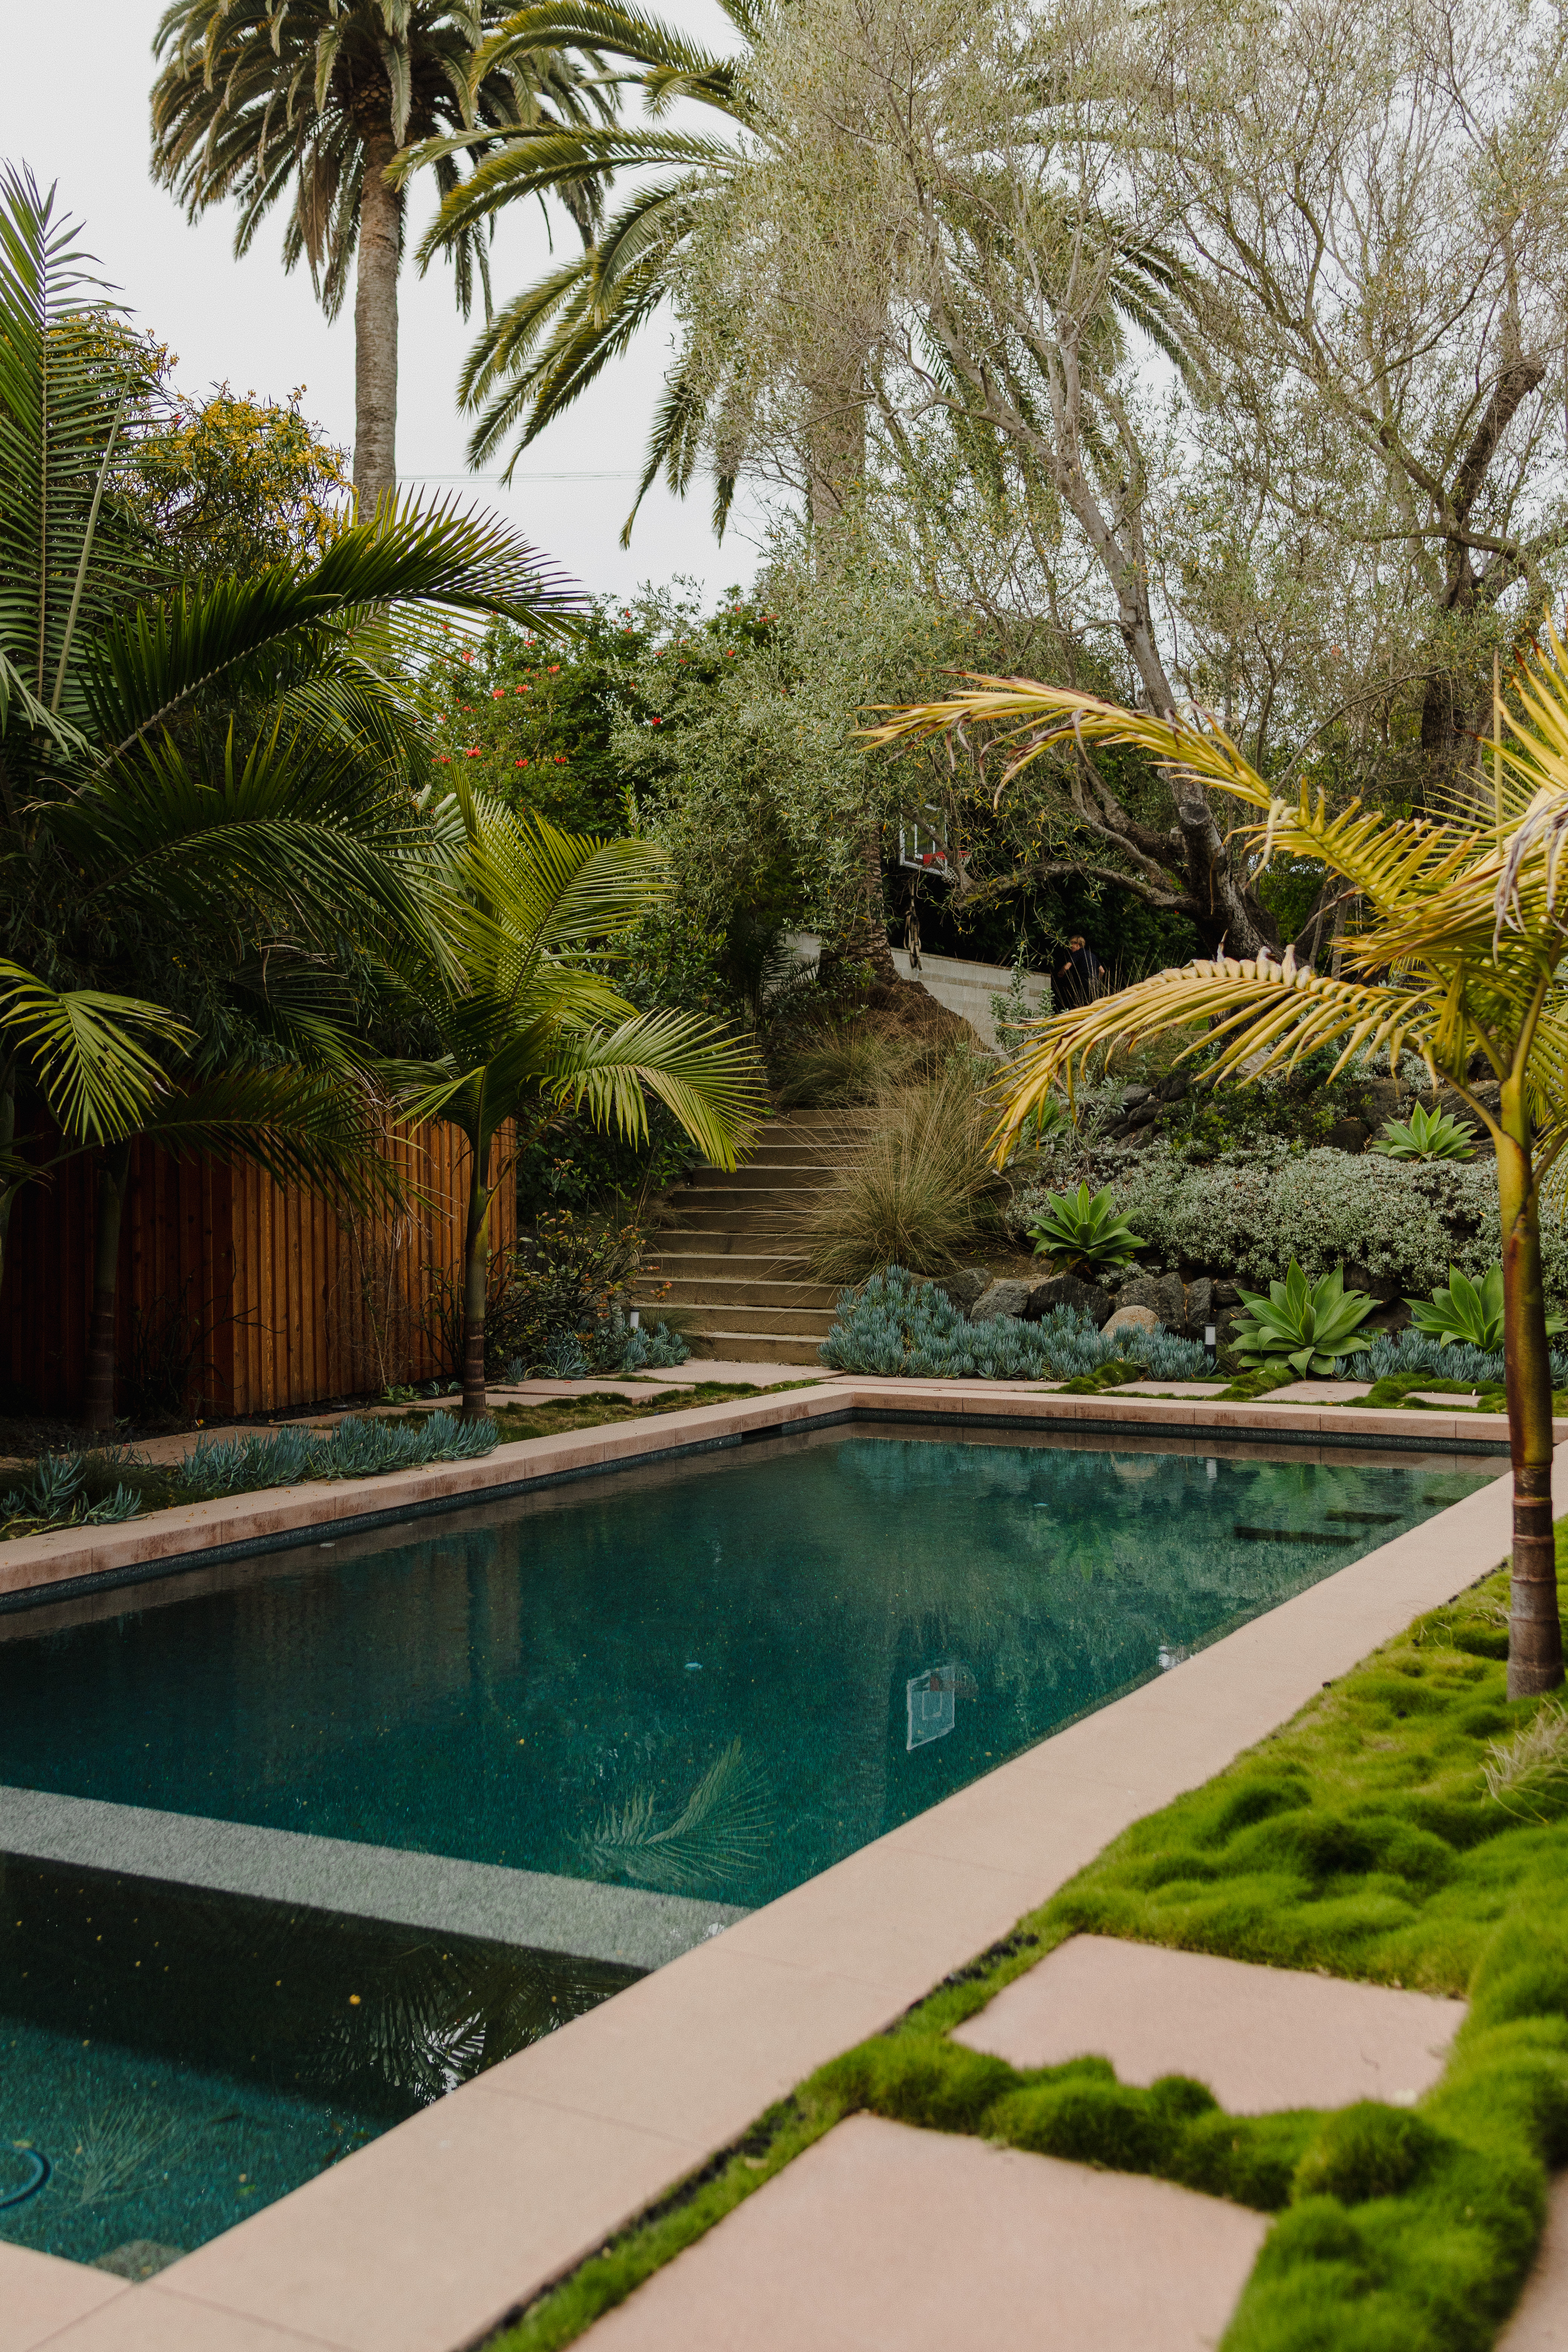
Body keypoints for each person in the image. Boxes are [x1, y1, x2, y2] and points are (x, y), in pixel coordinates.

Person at [1054, 934, 1101, 1009]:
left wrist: (1061, 972)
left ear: (1077, 945)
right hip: (1095, 982)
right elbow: (1102, 971)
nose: (1070, 947)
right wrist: (1098, 979)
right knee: (1094, 1005)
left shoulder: (1078, 953)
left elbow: (1067, 967)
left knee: (1083, 1005)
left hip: (1085, 982)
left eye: (1071, 945)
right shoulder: (1092, 955)